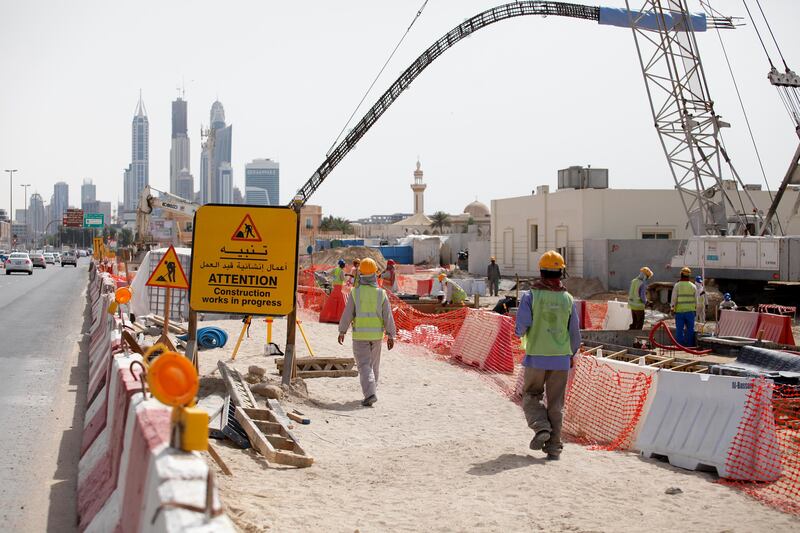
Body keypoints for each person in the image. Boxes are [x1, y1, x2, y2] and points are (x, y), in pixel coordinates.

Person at [514, 250, 581, 460]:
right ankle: (554, 448)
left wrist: (521, 334)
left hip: (536, 357)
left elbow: (521, 326)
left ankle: (541, 427)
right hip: (561, 359)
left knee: (531, 395)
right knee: (556, 404)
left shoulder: (530, 296)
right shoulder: (568, 299)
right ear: (561, 272)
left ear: (541, 271)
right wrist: (571, 353)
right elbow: (575, 333)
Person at [338, 258, 396, 407]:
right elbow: (387, 315)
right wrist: (391, 335)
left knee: (364, 365)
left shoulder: (355, 293)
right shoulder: (381, 294)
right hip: (376, 336)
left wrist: (342, 330)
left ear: (361, 274)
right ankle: (372, 391)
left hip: (360, 336)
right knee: (374, 366)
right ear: (375, 274)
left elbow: (348, 313)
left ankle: (370, 393)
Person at [671, 267, 698, 347]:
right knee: (690, 329)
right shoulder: (693, 286)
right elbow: (696, 300)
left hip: (679, 312)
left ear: (681, 275)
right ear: (689, 276)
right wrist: (695, 310)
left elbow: (674, 299)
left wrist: (672, 308)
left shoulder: (677, 285)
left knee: (679, 330)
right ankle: (689, 346)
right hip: (690, 312)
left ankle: (680, 346)